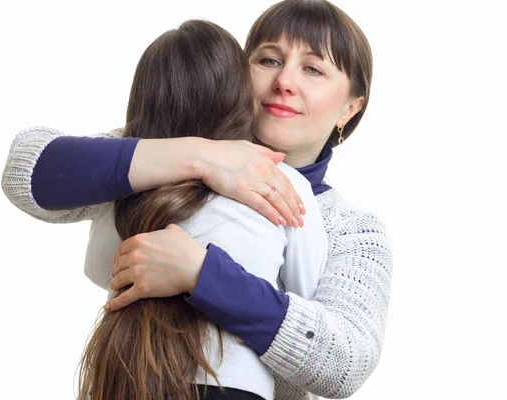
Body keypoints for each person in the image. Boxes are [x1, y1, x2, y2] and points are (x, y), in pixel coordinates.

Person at [1, 1, 393, 399]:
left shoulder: (348, 228)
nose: (284, 82)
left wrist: (201, 274)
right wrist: (200, 156)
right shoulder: (164, 151)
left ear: (350, 106)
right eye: (269, 60)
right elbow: (26, 169)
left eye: (313, 69)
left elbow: (345, 362)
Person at [75, 18, 327, 400]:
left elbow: (98, 269)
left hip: (127, 378)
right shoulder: (283, 182)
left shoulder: (126, 185)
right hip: (233, 387)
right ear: (240, 96)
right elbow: (307, 298)